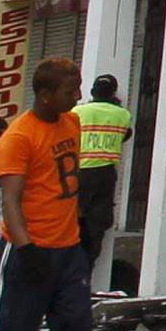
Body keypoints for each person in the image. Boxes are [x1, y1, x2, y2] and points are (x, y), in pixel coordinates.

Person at [0, 58, 90, 331]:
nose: (77, 96)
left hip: (68, 247)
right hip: (29, 250)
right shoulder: (18, 137)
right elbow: (11, 200)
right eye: (70, 91)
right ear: (46, 95)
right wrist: (25, 247)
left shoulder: (72, 123)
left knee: (74, 323)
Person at [72, 75, 133, 272]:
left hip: (78, 173)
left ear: (92, 92)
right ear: (113, 92)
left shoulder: (77, 112)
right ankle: (86, 270)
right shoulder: (123, 115)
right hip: (105, 175)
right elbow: (126, 135)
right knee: (97, 225)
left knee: (72, 220)